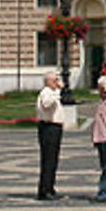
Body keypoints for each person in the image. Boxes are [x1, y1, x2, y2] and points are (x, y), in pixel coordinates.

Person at [35, 71, 65, 201]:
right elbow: (47, 104)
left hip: (54, 127)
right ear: (48, 81)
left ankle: (49, 187)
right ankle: (45, 190)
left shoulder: (50, 92)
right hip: (49, 127)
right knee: (48, 160)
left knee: (52, 160)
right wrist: (57, 92)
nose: (57, 82)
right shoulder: (46, 92)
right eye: (54, 80)